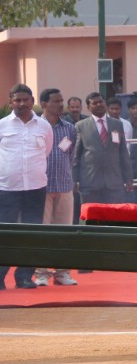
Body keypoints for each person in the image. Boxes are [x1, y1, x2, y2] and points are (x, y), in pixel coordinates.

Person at [0, 84, 52, 290]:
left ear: (32, 101)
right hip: (7, 188)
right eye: (17, 100)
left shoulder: (44, 126)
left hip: (35, 188)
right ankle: (0, 276)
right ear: (11, 102)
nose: (21, 104)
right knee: (5, 234)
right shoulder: (2, 125)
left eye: (25, 99)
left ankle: (24, 276)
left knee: (32, 234)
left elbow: (46, 150)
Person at [33, 88, 77, 287]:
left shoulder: (69, 128)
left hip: (64, 185)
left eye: (62, 101)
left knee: (64, 231)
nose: (61, 105)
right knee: (42, 232)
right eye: (56, 101)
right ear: (44, 104)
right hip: (40, 186)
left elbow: (71, 155)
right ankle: (41, 273)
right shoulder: (35, 126)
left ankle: (62, 272)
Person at [74, 93, 134, 204]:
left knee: (114, 218)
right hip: (90, 183)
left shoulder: (117, 124)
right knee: (92, 219)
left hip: (114, 183)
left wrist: (128, 178)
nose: (98, 104)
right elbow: (76, 156)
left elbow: (123, 152)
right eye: (94, 103)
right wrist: (74, 180)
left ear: (105, 104)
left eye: (101, 102)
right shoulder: (81, 126)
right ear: (88, 107)